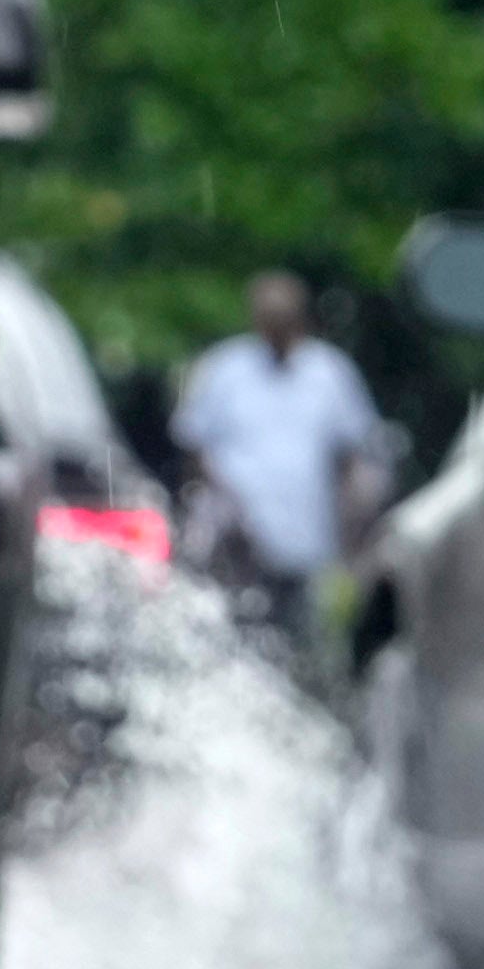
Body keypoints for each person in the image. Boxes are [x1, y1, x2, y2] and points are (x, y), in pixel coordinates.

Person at [168, 264, 397, 669]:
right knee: (228, 650)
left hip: (304, 543)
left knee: (299, 655)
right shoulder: (225, 368)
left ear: (301, 318)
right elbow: (194, 446)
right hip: (234, 545)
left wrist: (352, 536)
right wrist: (224, 506)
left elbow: (352, 456)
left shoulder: (329, 372)